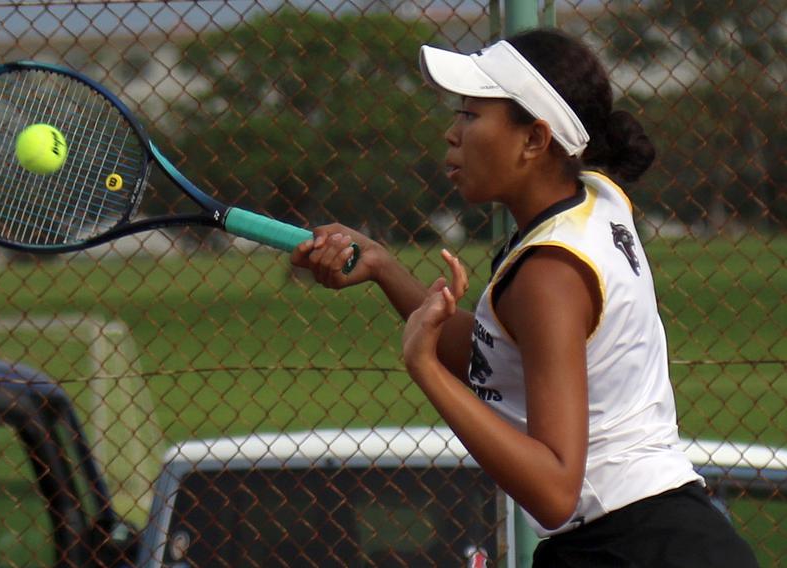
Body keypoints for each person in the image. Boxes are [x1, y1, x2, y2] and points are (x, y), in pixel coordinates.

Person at [291, 28, 758, 567]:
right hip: (671, 534)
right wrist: (384, 267)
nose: (451, 133)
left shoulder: (548, 274)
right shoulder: (593, 200)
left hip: (629, 547)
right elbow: (503, 359)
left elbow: (556, 492)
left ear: (535, 140)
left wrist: (425, 368)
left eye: (470, 116)